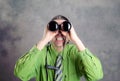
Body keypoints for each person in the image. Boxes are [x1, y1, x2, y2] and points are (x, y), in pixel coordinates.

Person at [14, 15, 103, 81]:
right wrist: (44, 40)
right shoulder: (40, 52)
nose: (59, 33)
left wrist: (76, 40)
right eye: (54, 28)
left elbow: (95, 76)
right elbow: (21, 73)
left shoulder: (76, 52)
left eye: (64, 28)